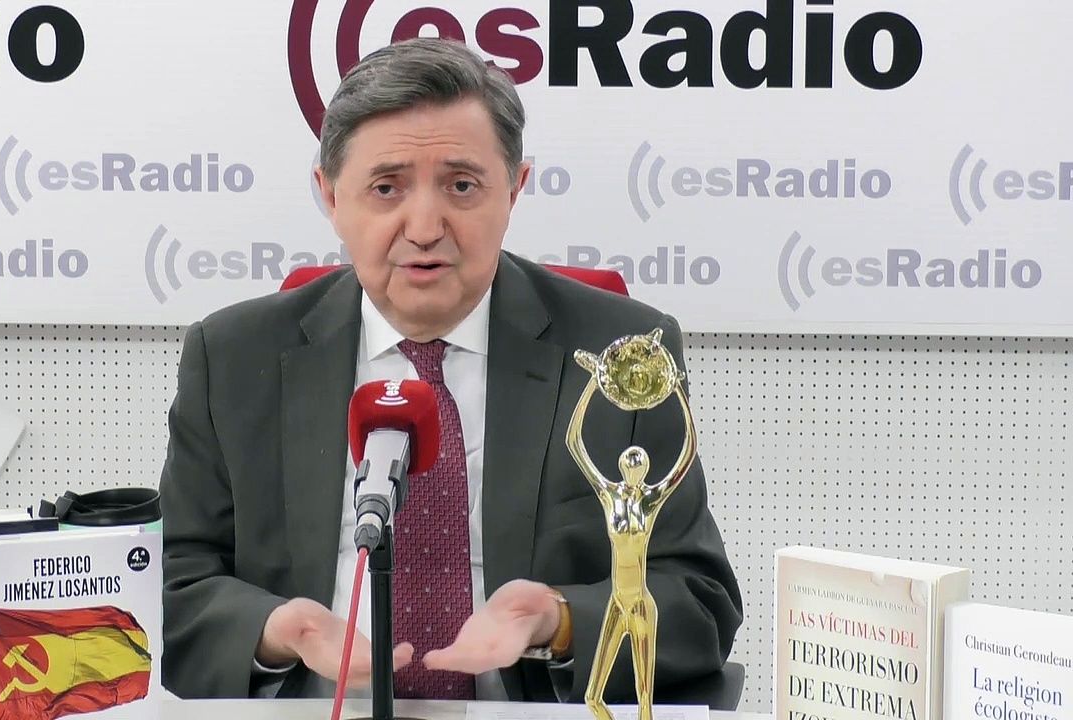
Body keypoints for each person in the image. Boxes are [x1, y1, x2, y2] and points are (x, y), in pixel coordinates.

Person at [159, 37, 742, 703]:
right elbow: (171, 582)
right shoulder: (234, 358)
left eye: (462, 186)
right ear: (330, 195)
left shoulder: (618, 354)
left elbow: (698, 599)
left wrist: (557, 621)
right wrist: (273, 630)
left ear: (515, 189)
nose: (424, 227)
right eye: (387, 188)